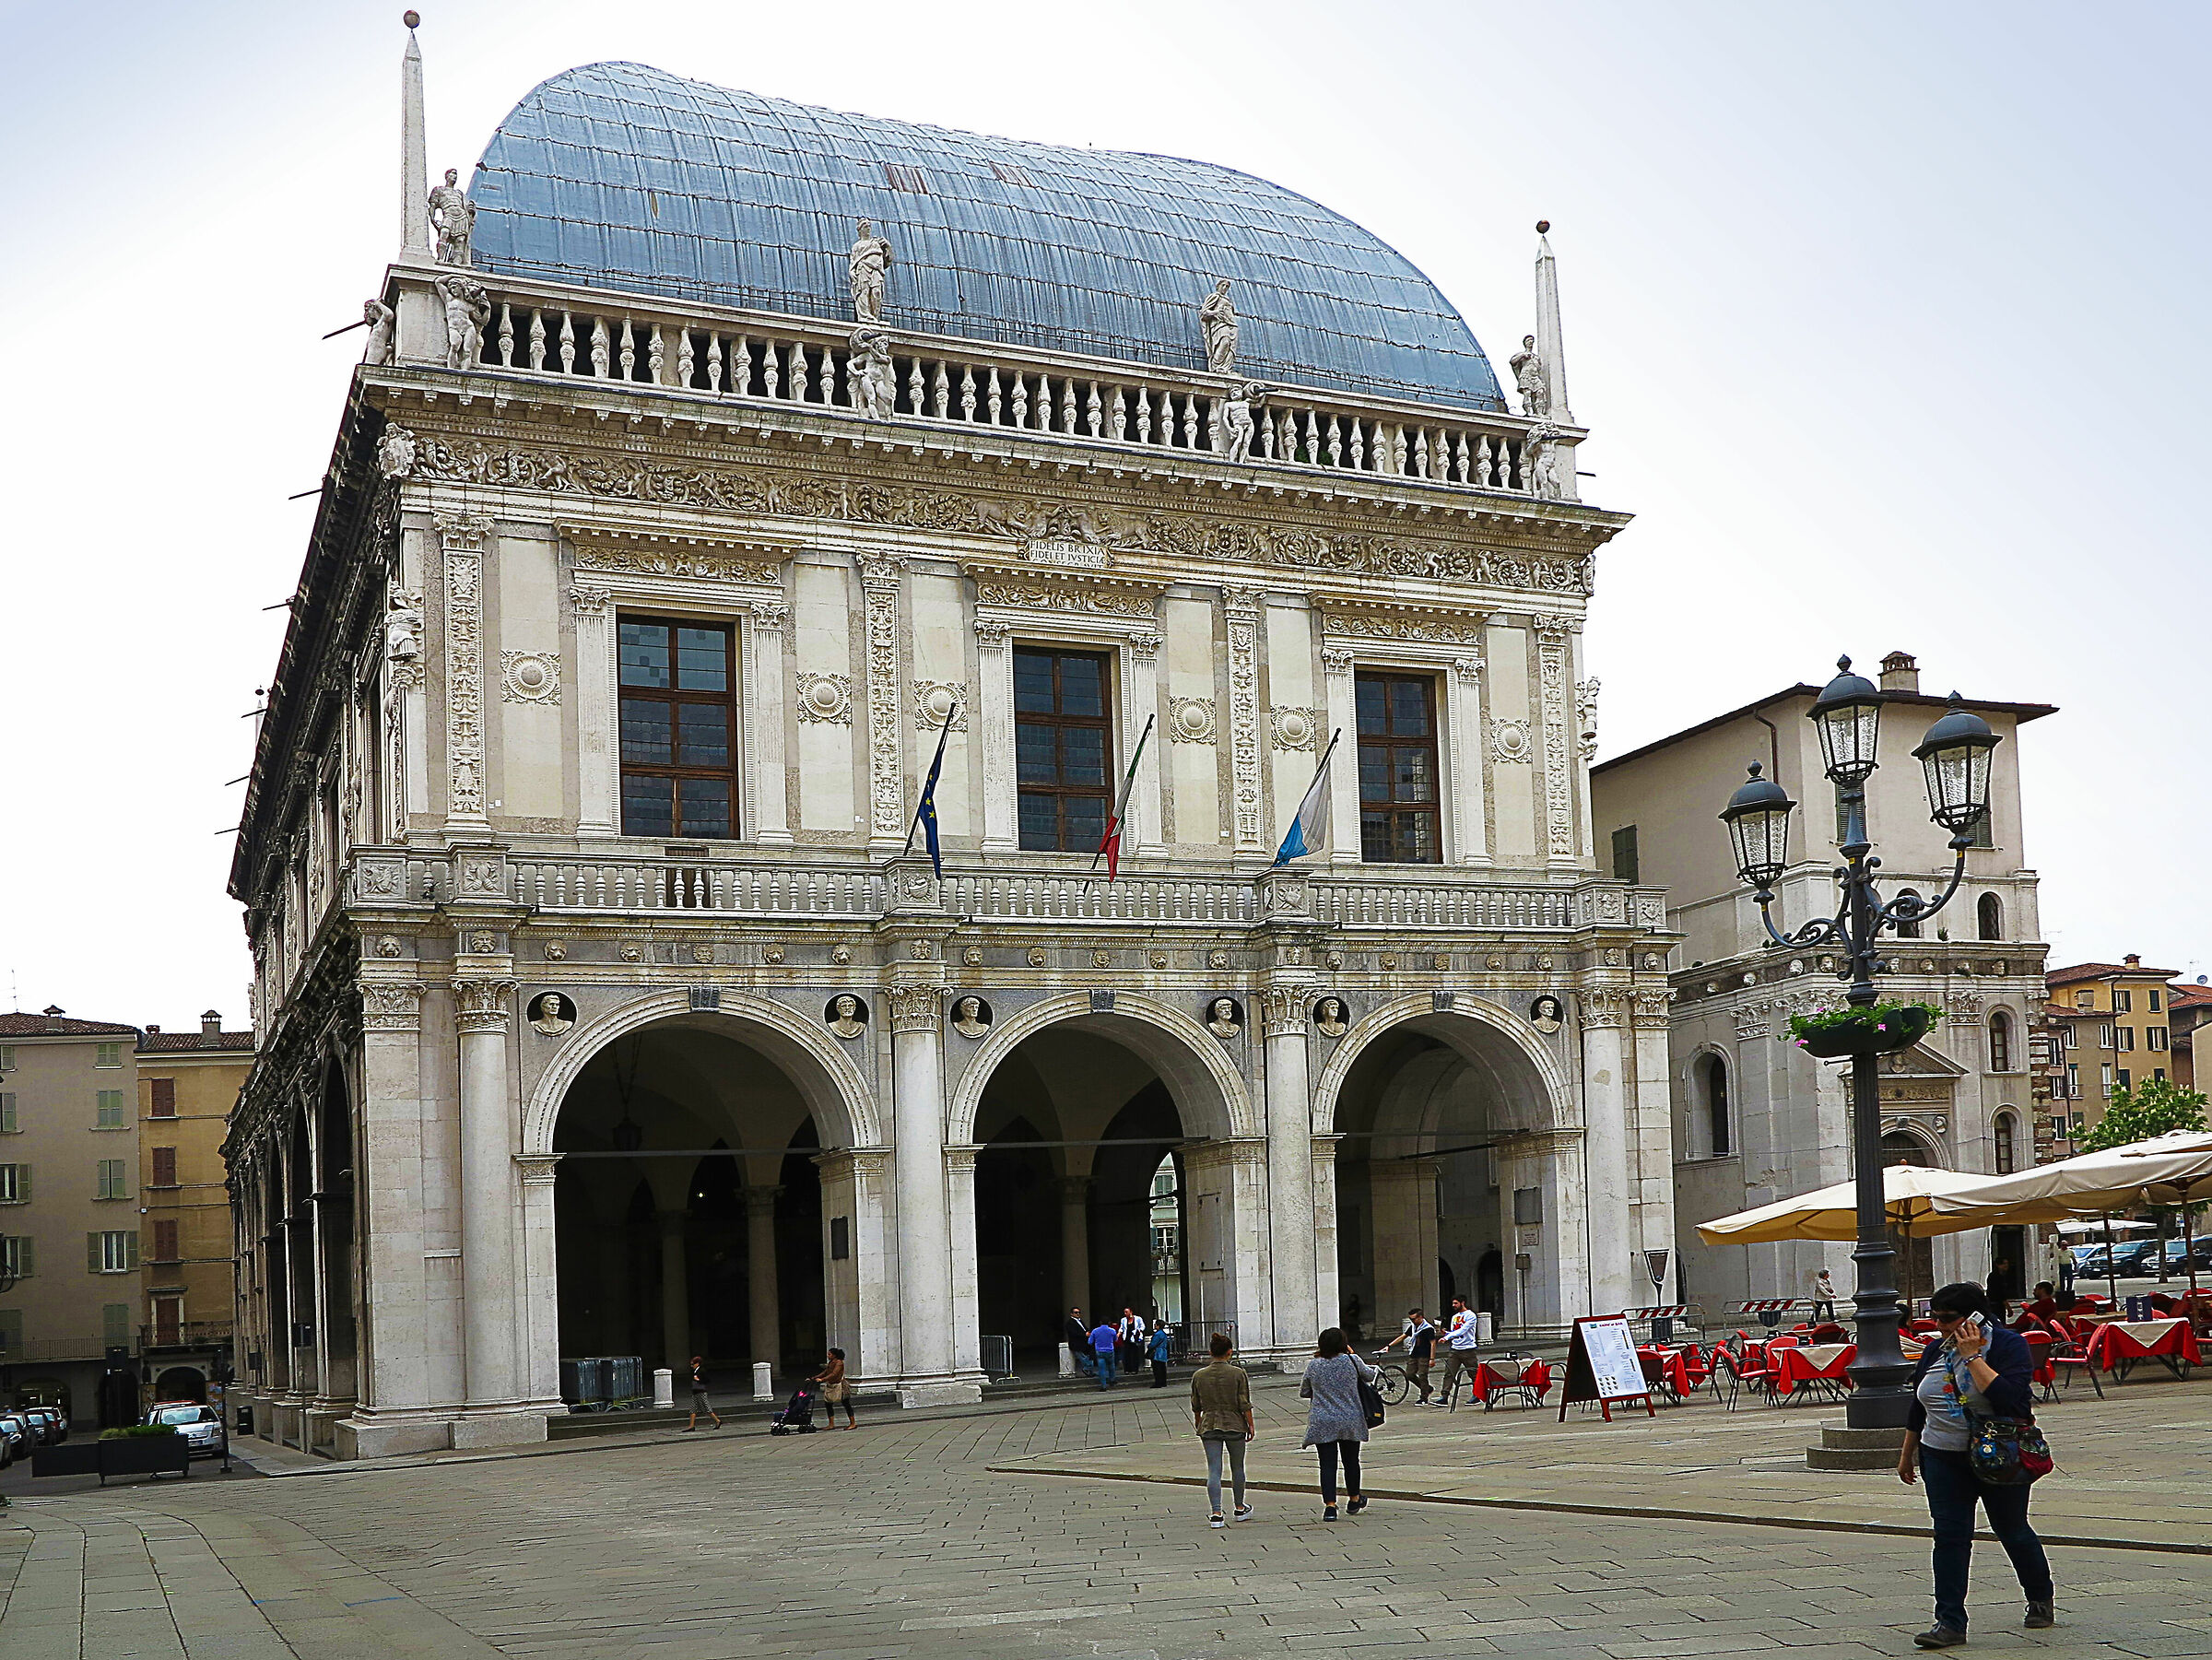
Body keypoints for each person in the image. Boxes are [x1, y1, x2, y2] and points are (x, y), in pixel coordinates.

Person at [1897, 1281, 2053, 1648]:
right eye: (1934, 1318)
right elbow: (1919, 1404)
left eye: (1947, 1318)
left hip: (1999, 1453)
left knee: (2010, 1528)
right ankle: (1949, 1621)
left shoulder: (2008, 1345)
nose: (1939, 1326)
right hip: (1941, 1455)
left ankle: (2040, 1596)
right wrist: (1908, 1452)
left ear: (1975, 1316)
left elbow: (2012, 1400)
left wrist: (1972, 1357)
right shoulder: (1935, 1350)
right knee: (1950, 1535)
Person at [1300, 1328, 1378, 1521]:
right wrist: (1352, 1355)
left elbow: (1304, 1391)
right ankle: (1354, 1499)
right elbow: (1369, 1376)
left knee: (1327, 1465)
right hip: (1350, 1418)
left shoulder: (1314, 1365)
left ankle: (1330, 1506)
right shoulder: (1351, 1360)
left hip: (1323, 1420)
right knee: (1351, 1461)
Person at [1191, 1331, 1254, 1528]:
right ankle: (1239, 1507)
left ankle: (1216, 1513)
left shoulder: (1199, 1375)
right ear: (1230, 1352)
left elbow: (1196, 1404)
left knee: (1214, 1470)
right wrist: (1250, 1424)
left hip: (1209, 1424)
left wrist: (1198, 1420)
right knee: (1238, 1468)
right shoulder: (1238, 1373)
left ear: (1210, 1352)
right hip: (1235, 1423)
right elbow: (1244, 1402)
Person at [1377, 1308, 1436, 1404]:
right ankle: (1427, 1388)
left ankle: (1424, 1397)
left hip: (1424, 1355)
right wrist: (1389, 1345)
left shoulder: (1428, 1328)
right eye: (1411, 1319)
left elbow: (1433, 1343)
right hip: (1414, 1354)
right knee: (1409, 1374)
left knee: (1422, 1375)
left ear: (1420, 1317)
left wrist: (1432, 1358)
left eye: (1414, 1319)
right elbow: (1403, 1336)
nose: (1412, 1321)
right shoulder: (1413, 1327)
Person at [1432, 1297, 1479, 1407]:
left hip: (1468, 1349)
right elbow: (1455, 1332)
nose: (1453, 1305)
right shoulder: (1455, 1317)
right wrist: (1447, 1333)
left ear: (1462, 1303)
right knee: (1449, 1373)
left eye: (1456, 1303)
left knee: (1473, 1373)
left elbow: (1463, 1330)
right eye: (1453, 1303)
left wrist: (1447, 1337)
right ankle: (1444, 1397)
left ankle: (1477, 1395)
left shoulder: (1471, 1316)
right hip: (1455, 1349)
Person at [813, 1347, 855, 1429]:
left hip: (839, 1386)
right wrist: (814, 1378)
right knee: (828, 1403)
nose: (828, 1356)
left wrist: (822, 1379)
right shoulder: (831, 1362)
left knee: (846, 1403)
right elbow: (825, 1372)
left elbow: (834, 1374)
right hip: (831, 1385)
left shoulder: (839, 1363)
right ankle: (831, 1424)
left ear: (834, 1355)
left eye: (829, 1354)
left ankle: (852, 1423)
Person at [684, 1356, 721, 1431]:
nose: (692, 1366)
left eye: (693, 1364)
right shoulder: (694, 1371)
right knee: (693, 1409)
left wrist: (699, 1380)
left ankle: (717, 1421)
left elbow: (707, 1380)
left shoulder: (702, 1370)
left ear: (697, 1364)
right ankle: (691, 1426)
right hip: (695, 1392)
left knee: (707, 1408)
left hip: (701, 1392)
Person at [1091, 1316, 1119, 1388]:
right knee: (1111, 1366)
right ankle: (1112, 1380)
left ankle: (1103, 1385)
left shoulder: (1095, 1331)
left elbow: (1090, 1341)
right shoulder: (1112, 1330)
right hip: (1110, 1350)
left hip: (1100, 1351)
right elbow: (1116, 1339)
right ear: (1109, 1323)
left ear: (1100, 1322)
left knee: (1101, 1368)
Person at [1065, 1307, 1092, 1376]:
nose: (1078, 1314)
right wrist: (1085, 1334)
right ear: (1071, 1314)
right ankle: (1087, 1368)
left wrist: (1088, 1332)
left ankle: (1088, 1370)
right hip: (1076, 1344)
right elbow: (1073, 1333)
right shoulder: (1070, 1323)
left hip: (1084, 1343)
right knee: (1083, 1357)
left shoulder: (1080, 1321)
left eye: (1079, 1312)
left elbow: (1084, 1329)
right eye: (1076, 1312)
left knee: (1087, 1357)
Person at [1148, 1321, 1175, 1387]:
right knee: (1162, 1368)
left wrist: (1149, 1346)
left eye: (1155, 1325)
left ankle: (1158, 1383)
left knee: (1157, 1368)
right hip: (1163, 1352)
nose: (1155, 1326)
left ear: (1158, 1326)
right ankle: (1163, 1382)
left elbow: (1153, 1344)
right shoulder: (1163, 1333)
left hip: (1157, 1352)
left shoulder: (1157, 1334)